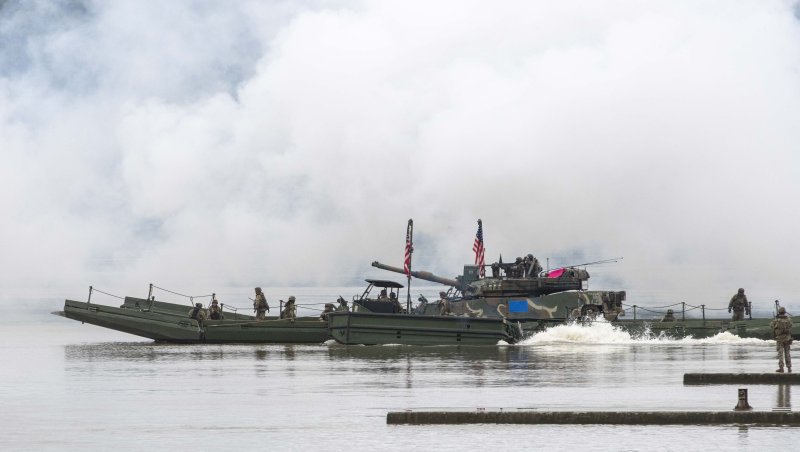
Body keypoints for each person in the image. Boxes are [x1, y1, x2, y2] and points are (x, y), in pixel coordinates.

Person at [771, 307, 793, 373]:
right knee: (787, 353)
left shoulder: (776, 320)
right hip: (787, 339)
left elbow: (772, 326)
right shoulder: (789, 320)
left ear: (779, 312)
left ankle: (781, 368)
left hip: (780, 339)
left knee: (780, 354)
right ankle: (789, 367)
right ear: (784, 312)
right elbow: (791, 326)